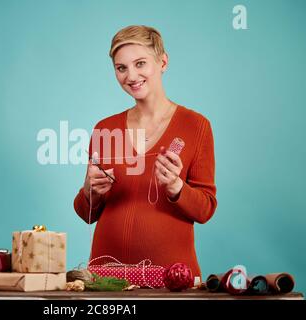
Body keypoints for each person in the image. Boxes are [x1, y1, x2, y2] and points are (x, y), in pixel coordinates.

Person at [73, 25, 217, 281]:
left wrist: (176, 187)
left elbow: (205, 209)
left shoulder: (196, 126)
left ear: (163, 62)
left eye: (140, 63)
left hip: (172, 279)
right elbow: (87, 214)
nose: (131, 75)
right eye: (121, 68)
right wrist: (89, 192)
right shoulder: (105, 129)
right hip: (107, 280)